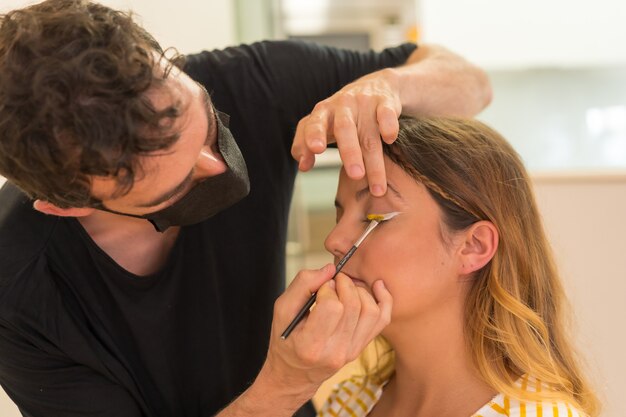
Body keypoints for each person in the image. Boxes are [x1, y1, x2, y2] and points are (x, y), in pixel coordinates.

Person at [0, 0, 492, 416]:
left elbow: (470, 83)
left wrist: (386, 87)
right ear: (65, 206)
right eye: (178, 182)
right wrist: (285, 384)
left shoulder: (255, 82)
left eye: (209, 126)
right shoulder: (19, 290)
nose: (218, 164)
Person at [318, 116, 600, 417]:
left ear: (474, 246)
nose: (333, 240)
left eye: (375, 217)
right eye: (340, 214)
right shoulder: (347, 403)